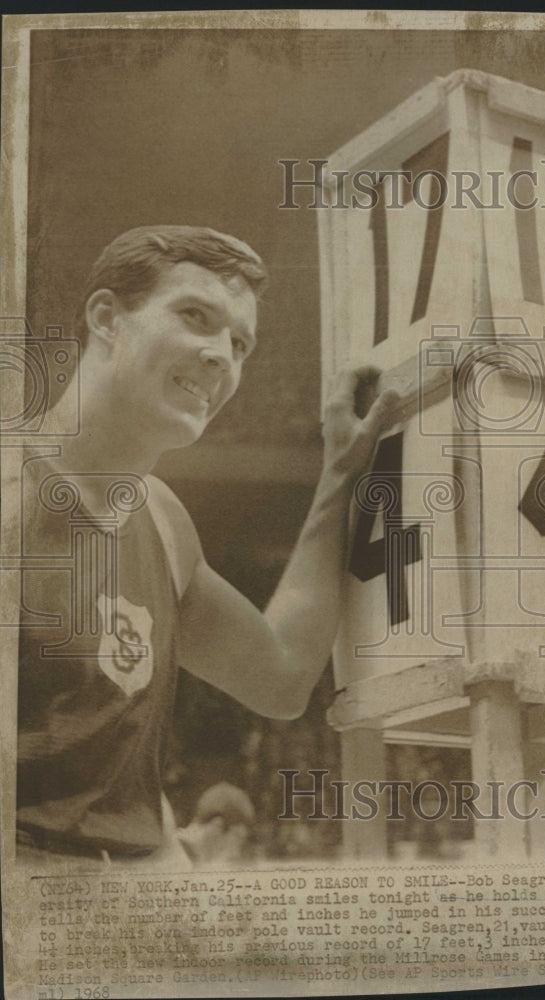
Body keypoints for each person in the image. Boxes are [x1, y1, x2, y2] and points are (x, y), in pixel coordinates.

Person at [14, 225, 397, 868]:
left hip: (137, 912)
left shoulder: (164, 522)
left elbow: (279, 676)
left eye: (241, 343)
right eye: (196, 316)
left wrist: (339, 473)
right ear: (107, 317)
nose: (223, 356)